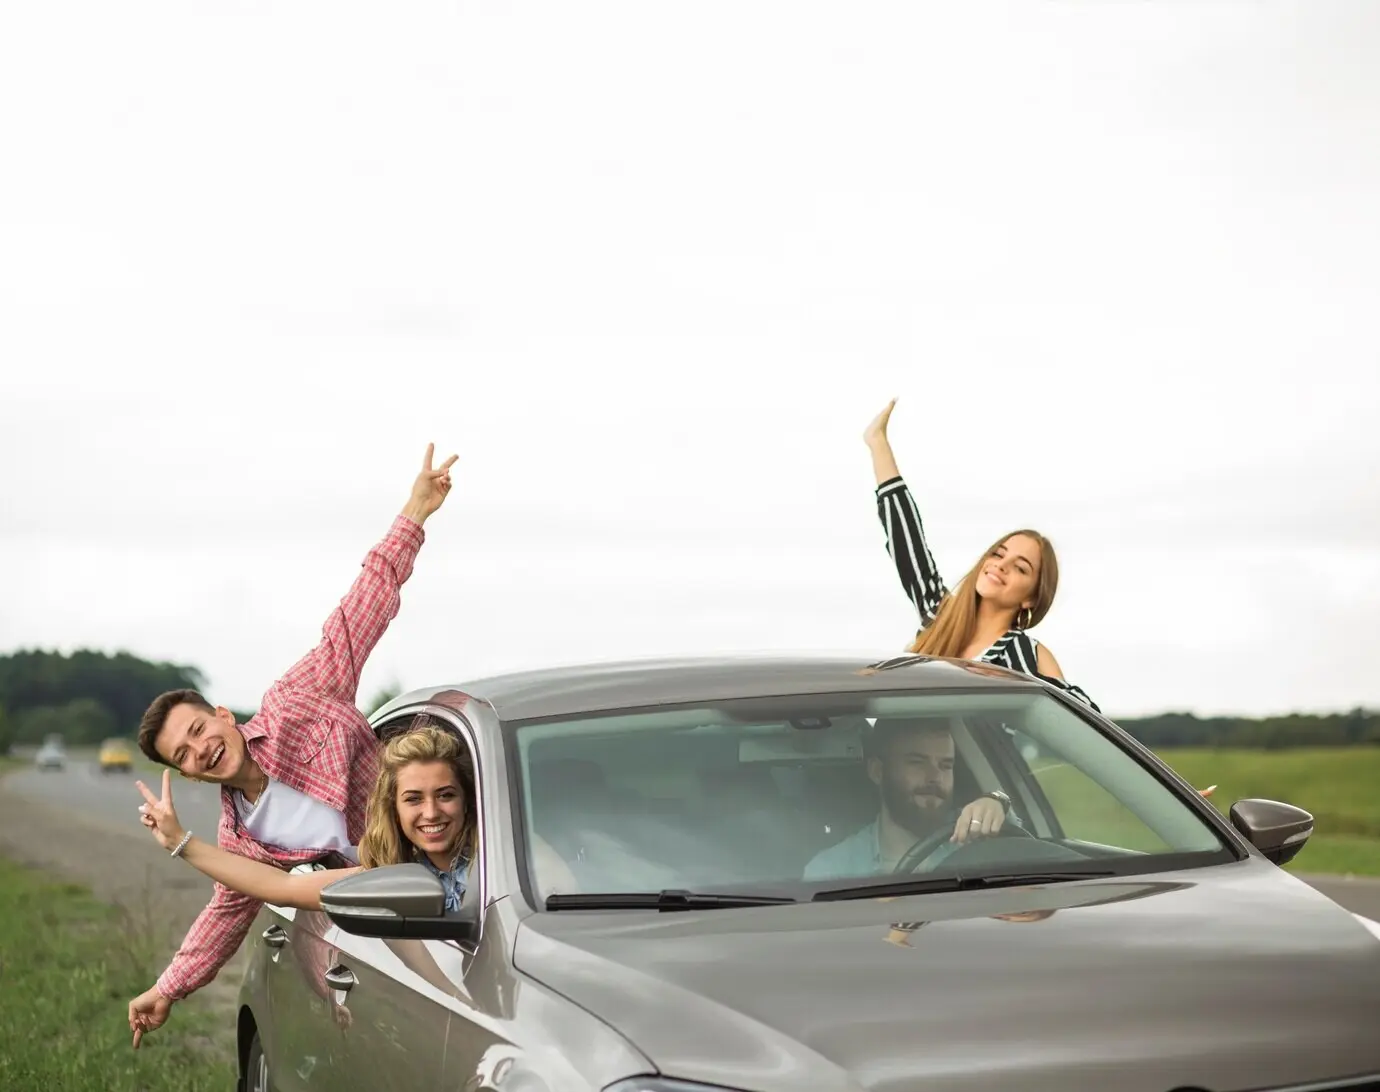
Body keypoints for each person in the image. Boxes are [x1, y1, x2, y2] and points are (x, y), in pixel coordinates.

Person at [125, 443, 456, 1048]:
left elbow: (356, 618)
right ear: (189, 775)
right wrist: (166, 989)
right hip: (381, 898)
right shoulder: (240, 840)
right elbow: (223, 918)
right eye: (183, 756)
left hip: (445, 845)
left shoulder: (294, 702)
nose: (198, 750)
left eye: (198, 730)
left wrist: (415, 512)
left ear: (222, 715)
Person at [134, 724, 578, 912]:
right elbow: (281, 887)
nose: (431, 812)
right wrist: (181, 841)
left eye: (446, 795)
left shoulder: (512, 855)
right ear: (393, 808)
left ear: (467, 800)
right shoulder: (386, 875)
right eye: (413, 799)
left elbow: (561, 905)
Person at [861, 398, 1099, 709]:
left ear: (1030, 598)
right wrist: (878, 443)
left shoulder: (1025, 654)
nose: (1001, 565)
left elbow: (1084, 717)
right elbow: (907, 542)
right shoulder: (940, 616)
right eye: (998, 554)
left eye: (1021, 568)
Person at [803, 717, 1019, 881]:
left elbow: (1025, 847)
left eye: (945, 766)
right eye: (917, 762)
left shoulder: (974, 841)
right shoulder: (832, 870)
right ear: (878, 771)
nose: (934, 777)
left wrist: (997, 802)